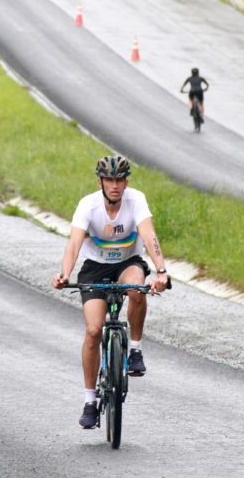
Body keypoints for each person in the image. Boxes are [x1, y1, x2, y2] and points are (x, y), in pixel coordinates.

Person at [51, 155, 169, 429]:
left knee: (137, 290)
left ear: (126, 182)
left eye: (119, 180)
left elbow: (149, 235)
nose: (115, 186)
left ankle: (135, 350)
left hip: (128, 263)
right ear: (101, 182)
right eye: (109, 180)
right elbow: (74, 244)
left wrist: (161, 271)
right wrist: (65, 275)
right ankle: (90, 400)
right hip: (95, 267)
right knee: (93, 330)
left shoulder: (136, 200)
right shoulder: (88, 205)